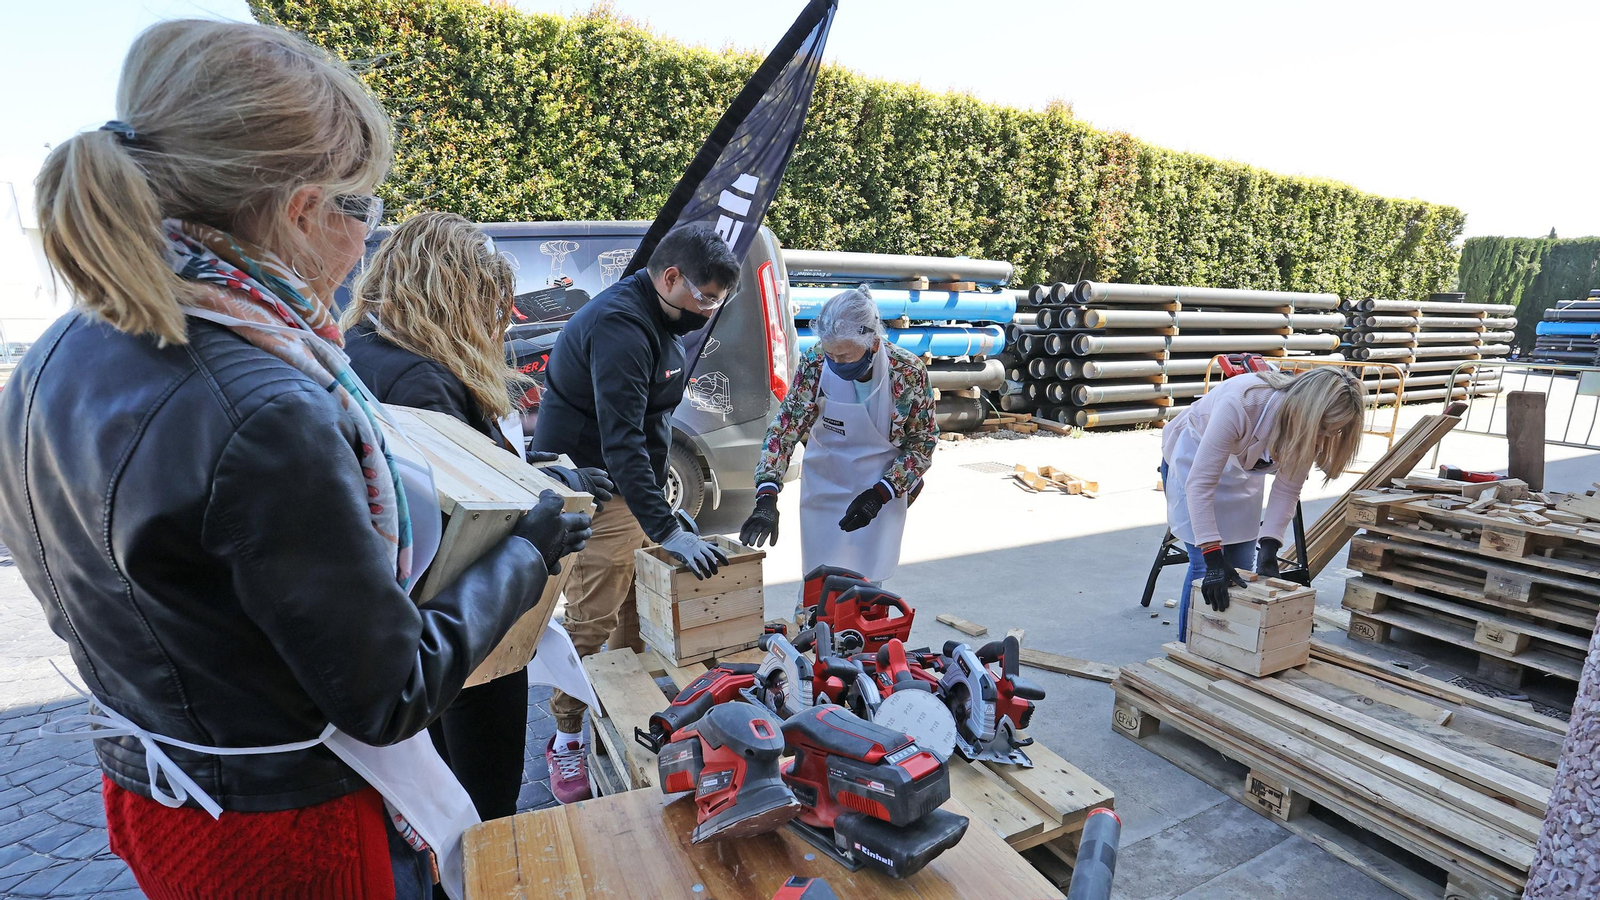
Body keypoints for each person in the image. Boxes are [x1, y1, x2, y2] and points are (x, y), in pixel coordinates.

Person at [0, 20, 590, 900]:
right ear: (303, 211)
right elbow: (386, 692)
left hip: (159, 780)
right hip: (292, 829)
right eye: (364, 210)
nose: (365, 245)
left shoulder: (58, 350)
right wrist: (526, 552)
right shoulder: (266, 403)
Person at [340, 211, 615, 837]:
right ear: (452, 292)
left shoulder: (364, 349)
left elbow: (464, 472)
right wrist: (546, 513)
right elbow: (462, 519)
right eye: (488, 304)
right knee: (481, 812)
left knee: (440, 805)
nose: (496, 324)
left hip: (418, 626)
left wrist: (549, 474)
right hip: (463, 637)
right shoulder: (420, 376)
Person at [530, 222, 735, 802]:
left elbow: (654, 421)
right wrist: (665, 524)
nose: (710, 309)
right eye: (705, 296)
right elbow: (620, 440)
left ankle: (624, 713)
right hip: (593, 482)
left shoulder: (661, 316)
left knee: (636, 606)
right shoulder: (622, 325)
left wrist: (663, 509)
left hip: (630, 482)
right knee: (593, 615)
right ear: (670, 277)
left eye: (719, 300)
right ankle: (567, 737)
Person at [739, 288, 937, 591]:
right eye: (829, 353)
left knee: (867, 580)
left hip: (878, 487)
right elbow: (785, 428)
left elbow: (922, 442)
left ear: (872, 343)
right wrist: (767, 495)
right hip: (826, 483)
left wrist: (881, 494)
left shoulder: (907, 372)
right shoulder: (816, 363)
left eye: (844, 355)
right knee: (819, 579)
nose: (834, 362)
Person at [1160, 366, 1364, 639]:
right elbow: (1200, 484)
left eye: (1332, 432)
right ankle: (1189, 648)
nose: (1323, 438)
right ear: (1307, 412)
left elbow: (1287, 490)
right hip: (1192, 463)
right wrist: (1213, 556)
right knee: (1204, 570)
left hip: (1242, 469)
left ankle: (1230, 645)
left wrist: (1269, 547)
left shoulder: (1308, 428)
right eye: (1324, 428)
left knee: (1242, 568)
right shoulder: (1241, 403)